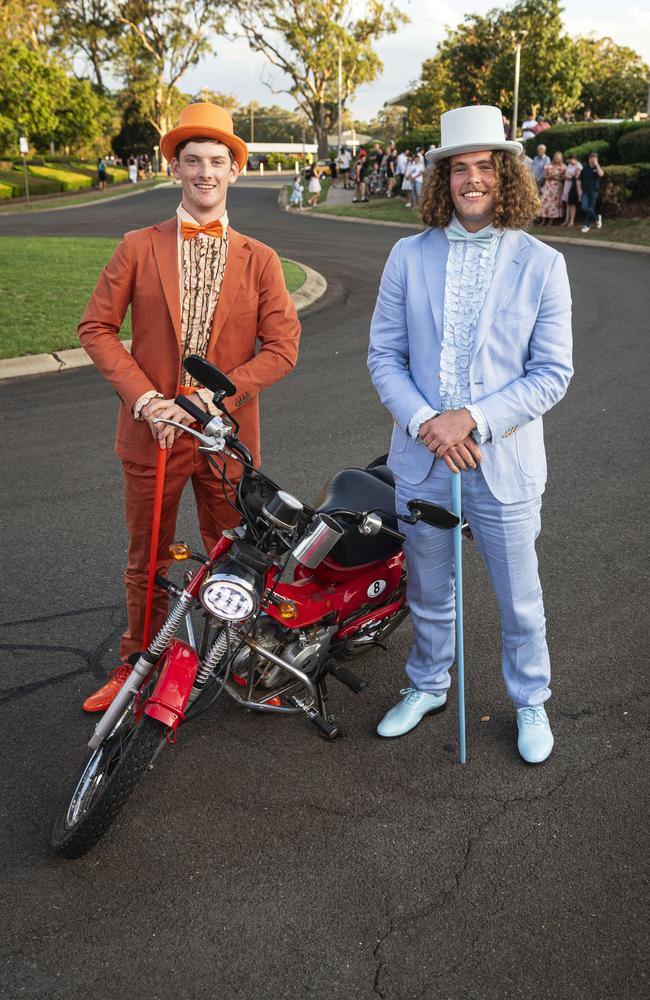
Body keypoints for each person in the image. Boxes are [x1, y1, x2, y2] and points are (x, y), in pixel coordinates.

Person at [78, 102, 301, 712]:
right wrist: (147, 399)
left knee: (236, 555)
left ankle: (240, 658)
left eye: (217, 162)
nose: (205, 173)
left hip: (225, 438)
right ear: (174, 167)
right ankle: (135, 667)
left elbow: (282, 349)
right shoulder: (137, 245)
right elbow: (96, 327)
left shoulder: (260, 258)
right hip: (151, 433)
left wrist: (211, 395)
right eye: (193, 161)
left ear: (234, 171)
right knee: (145, 559)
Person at [367, 104, 573, 764]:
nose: (473, 180)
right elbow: (384, 356)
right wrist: (431, 423)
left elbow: (552, 373)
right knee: (428, 592)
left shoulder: (543, 264)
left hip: (503, 459)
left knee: (520, 600)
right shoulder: (407, 254)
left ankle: (530, 700)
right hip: (425, 458)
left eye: (486, 167)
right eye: (460, 169)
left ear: (506, 175)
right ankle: (428, 685)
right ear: (442, 180)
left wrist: (473, 419)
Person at [580, 152, 604, 233]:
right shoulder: (585, 168)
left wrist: (596, 164)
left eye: (595, 158)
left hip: (594, 191)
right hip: (585, 191)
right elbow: (580, 179)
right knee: (584, 206)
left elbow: (601, 174)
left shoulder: (597, 168)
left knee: (591, 207)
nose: (593, 159)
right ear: (589, 159)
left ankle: (587, 225)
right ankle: (597, 217)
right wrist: (579, 190)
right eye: (592, 158)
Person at [539, 151, 565, 224]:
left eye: (558, 158)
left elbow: (564, 178)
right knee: (544, 201)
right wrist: (550, 176)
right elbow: (544, 176)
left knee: (554, 203)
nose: (557, 159)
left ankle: (551, 220)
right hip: (548, 186)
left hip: (557, 187)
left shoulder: (563, 167)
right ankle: (543, 219)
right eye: (556, 157)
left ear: (561, 158)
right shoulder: (548, 166)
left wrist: (556, 178)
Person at [561, 152, 582, 227]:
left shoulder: (578, 166)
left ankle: (571, 220)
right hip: (567, 185)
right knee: (567, 203)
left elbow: (577, 177)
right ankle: (566, 220)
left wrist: (569, 177)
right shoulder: (569, 165)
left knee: (572, 203)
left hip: (573, 186)